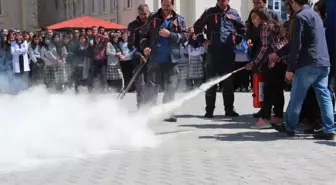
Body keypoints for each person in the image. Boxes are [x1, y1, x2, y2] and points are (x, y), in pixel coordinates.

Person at [270, 0, 336, 140]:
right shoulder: (315, 15)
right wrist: (279, 53)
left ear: (294, 2)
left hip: (307, 64)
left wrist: (290, 68)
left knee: (296, 97)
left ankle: (289, 127)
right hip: (323, 62)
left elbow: (296, 45)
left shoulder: (300, 17)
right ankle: (329, 129)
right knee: (324, 97)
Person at [193, 0, 245, 118]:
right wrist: (202, 40)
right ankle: (209, 110)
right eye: (220, 0)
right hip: (213, 52)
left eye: (224, 0)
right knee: (211, 82)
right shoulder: (209, 13)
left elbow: (243, 29)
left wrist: (236, 40)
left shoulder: (234, 13)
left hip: (228, 52)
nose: (222, 2)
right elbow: (197, 26)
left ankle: (229, 109)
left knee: (228, 82)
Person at [140, 0, 187, 122]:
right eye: (164, 5)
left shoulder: (179, 19)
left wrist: (170, 34)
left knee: (171, 87)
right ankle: (149, 112)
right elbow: (143, 35)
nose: (166, 8)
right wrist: (145, 47)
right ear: (161, 4)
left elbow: (185, 37)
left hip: (172, 59)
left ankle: (168, 113)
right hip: (155, 58)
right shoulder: (152, 18)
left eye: (168, 5)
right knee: (152, 86)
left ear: (173, 4)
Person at [245, 8, 287, 129]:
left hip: (273, 62)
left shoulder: (264, 26)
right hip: (281, 61)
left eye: (255, 17)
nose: (253, 21)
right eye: (251, 18)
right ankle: (278, 117)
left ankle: (265, 119)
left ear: (261, 16)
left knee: (268, 90)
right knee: (278, 90)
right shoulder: (273, 24)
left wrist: (253, 62)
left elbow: (264, 48)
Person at [127, 4, 151, 109]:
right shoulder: (133, 25)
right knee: (140, 84)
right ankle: (141, 107)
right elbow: (130, 45)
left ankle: (150, 106)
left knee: (152, 84)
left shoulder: (154, 23)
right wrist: (139, 55)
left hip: (152, 57)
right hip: (139, 59)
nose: (143, 16)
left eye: (145, 14)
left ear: (149, 12)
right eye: (141, 14)